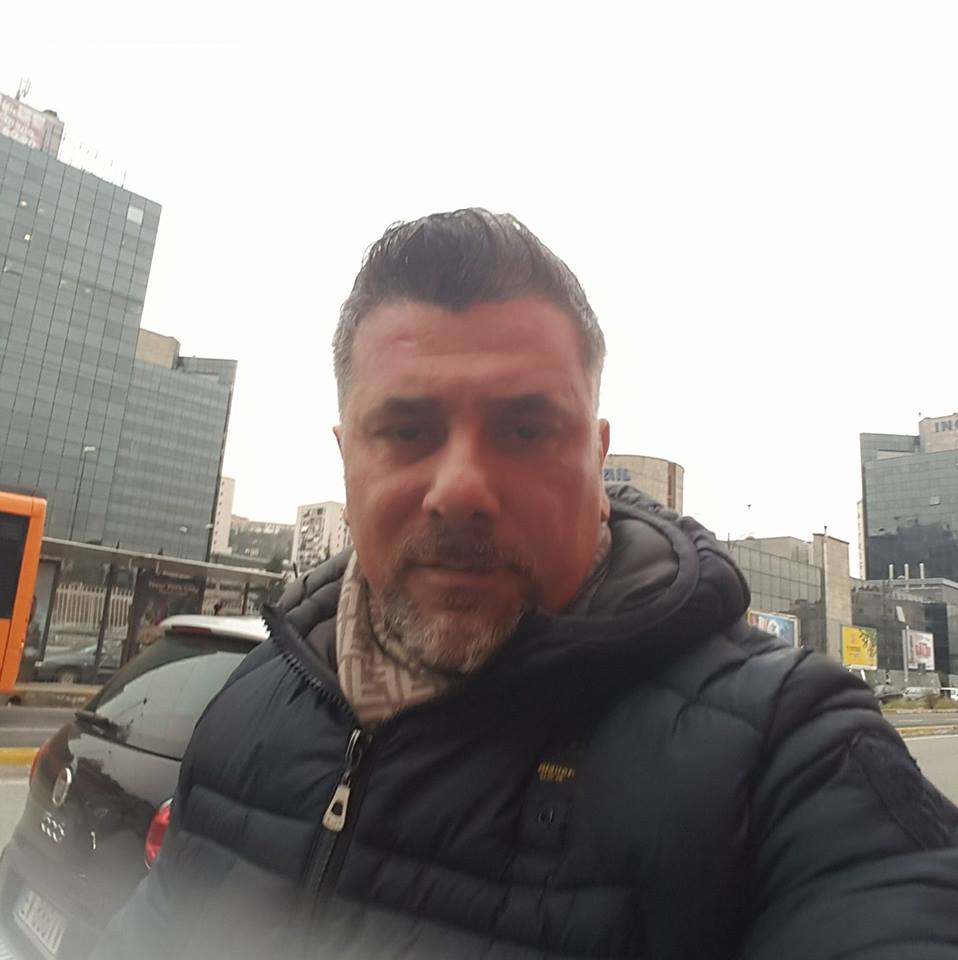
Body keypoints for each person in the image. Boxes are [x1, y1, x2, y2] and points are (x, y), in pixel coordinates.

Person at [94, 210, 958, 960]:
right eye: (407, 430)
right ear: (346, 457)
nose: (462, 489)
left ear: (597, 457)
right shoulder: (251, 705)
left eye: (526, 428)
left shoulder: (783, 753)